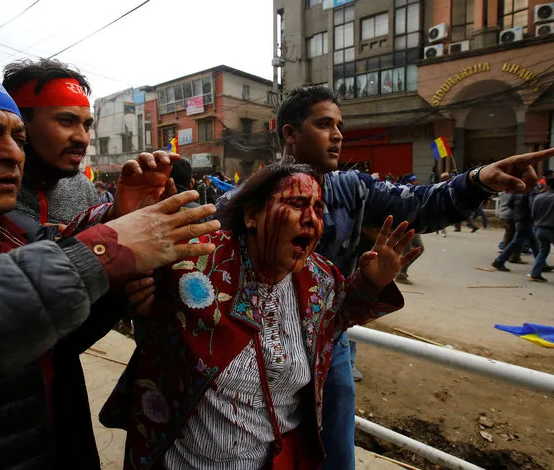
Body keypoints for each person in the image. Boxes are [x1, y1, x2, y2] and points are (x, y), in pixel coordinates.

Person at [140, 86, 554, 470]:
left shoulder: (353, 191)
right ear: (290, 133)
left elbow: (421, 206)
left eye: (340, 125)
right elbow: (188, 276)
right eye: (324, 124)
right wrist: (140, 285)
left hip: (329, 339)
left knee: (331, 445)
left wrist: (480, 180)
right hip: (244, 343)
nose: (338, 134)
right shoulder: (244, 203)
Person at [0, 63, 221, 470]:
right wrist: (106, 250)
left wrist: (121, 286)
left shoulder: (14, 222)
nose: (82, 137)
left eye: (87, 124)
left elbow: (54, 339)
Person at [101, 163, 417, 469]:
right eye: (296, 204)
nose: (310, 219)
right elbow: (117, 279)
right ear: (252, 215)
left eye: (318, 209)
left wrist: (373, 281)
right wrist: (132, 255)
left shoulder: (321, 277)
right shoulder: (195, 259)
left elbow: (335, 319)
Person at [2, 58, 100, 225]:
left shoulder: (84, 190)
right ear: (20, 122)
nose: (82, 138)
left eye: (86, 125)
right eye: (66, 121)